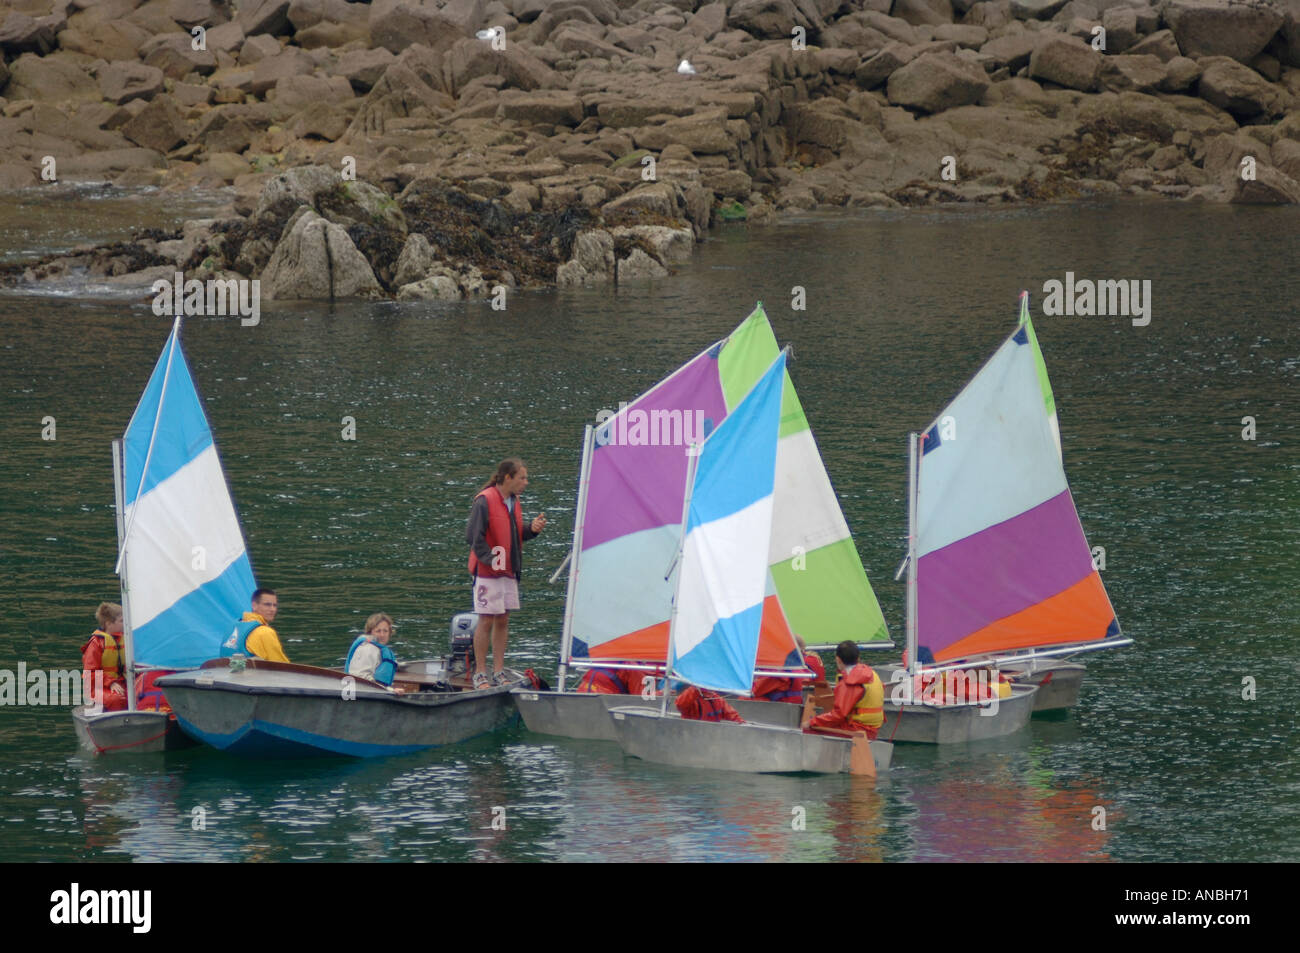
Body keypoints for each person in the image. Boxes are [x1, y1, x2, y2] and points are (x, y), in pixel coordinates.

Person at [465, 458, 546, 688]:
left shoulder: (513, 501)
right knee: (486, 619)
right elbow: (472, 536)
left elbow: (514, 533)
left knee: (503, 619)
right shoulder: (485, 501)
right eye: (522, 477)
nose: (526, 482)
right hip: (488, 572)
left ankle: (499, 671)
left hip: (508, 571)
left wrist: (531, 529)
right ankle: (480, 673)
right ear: (507, 477)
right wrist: (491, 559)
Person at [803, 640, 884, 738]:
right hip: (873, 727)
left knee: (809, 730)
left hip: (858, 728)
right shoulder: (872, 673)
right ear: (858, 658)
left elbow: (838, 715)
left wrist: (811, 722)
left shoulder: (850, 681)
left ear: (838, 659)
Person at [751, 635, 827, 703]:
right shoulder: (804, 667)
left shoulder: (781, 670)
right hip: (809, 702)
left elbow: (755, 690)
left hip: (783, 709)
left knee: (746, 698)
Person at [221, 588, 290, 663]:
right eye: (267, 605)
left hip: (224, 670)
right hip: (249, 673)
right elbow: (282, 665)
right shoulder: (265, 632)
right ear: (254, 605)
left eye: (275, 605)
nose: (272, 609)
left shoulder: (233, 626)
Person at [82, 602, 127, 711]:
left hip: (122, 683)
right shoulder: (96, 642)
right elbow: (89, 673)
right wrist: (110, 682)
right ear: (108, 623)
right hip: (99, 687)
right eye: (121, 621)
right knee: (118, 699)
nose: (125, 624)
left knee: (143, 694)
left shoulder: (127, 639)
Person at [346, 612, 398, 686]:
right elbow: (360, 678)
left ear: (389, 632)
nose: (382, 635)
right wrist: (390, 690)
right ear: (370, 632)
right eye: (378, 631)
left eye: (385, 631)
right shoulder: (368, 649)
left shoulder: (379, 649)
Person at [675, 685, 744, 722]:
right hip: (692, 735)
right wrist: (696, 688)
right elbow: (680, 704)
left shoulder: (717, 699)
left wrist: (741, 723)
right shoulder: (692, 697)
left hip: (712, 735)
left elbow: (732, 715)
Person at [576, 666, 651, 695]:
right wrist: (661, 693)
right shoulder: (632, 668)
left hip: (581, 695)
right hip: (606, 703)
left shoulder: (597, 660)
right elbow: (642, 698)